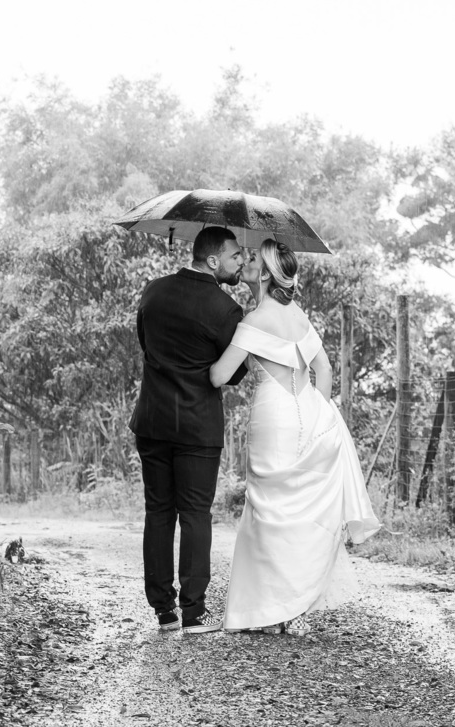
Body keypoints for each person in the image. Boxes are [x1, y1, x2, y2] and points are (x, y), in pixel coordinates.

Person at [209, 239, 381, 636]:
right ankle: (293, 607)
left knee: (268, 510)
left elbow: (219, 376)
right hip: (304, 411)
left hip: (272, 417)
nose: (246, 262)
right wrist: (317, 413)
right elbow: (324, 368)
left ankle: (268, 610)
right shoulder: (298, 316)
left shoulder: (252, 322)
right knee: (298, 511)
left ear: (266, 273)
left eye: (252, 259)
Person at [130, 226, 249, 634]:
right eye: (235, 255)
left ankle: (163, 611)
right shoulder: (225, 308)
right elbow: (234, 375)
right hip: (197, 426)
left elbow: (146, 344)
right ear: (213, 260)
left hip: (152, 421)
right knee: (195, 514)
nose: (241, 263)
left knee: (158, 512)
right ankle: (195, 612)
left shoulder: (153, 291)